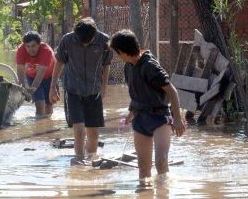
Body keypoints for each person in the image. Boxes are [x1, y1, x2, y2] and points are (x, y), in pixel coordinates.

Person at [110, 29, 185, 183]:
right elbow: (137, 94)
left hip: (159, 118)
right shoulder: (128, 67)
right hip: (140, 120)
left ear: (123, 51)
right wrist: (130, 115)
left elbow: (172, 91)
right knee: (143, 166)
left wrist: (177, 119)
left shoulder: (150, 66)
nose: (117, 57)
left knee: (161, 161)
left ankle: (164, 198)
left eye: (117, 53)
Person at [50, 17, 112, 161]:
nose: (84, 44)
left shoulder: (104, 41)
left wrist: (104, 87)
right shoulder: (67, 40)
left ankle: (90, 161)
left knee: (93, 132)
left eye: (88, 42)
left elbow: (106, 65)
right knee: (78, 130)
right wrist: (53, 87)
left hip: (94, 90)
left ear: (95, 35)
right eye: (81, 42)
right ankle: (78, 161)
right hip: (73, 90)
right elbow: (59, 62)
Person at [16, 31, 56, 118]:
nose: (30, 49)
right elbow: (20, 71)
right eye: (28, 46)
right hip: (32, 76)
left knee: (49, 105)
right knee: (39, 104)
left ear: (39, 44)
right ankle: (38, 125)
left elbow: (40, 75)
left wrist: (30, 92)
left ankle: (48, 125)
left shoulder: (46, 51)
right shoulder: (21, 50)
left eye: (33, 46)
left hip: (50, 76)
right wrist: (23, 90)